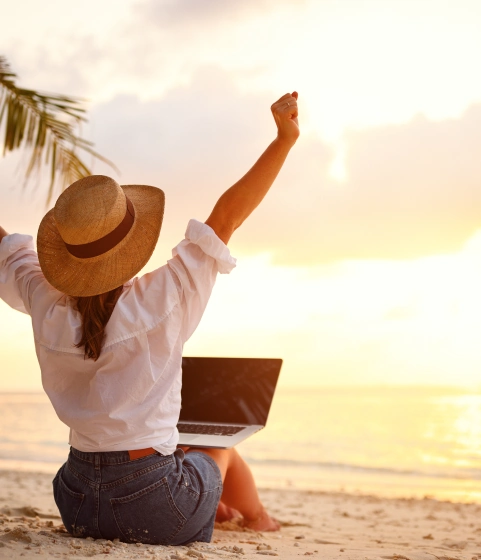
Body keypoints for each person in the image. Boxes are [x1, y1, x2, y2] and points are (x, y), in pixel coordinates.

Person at [0, 92, 299, 545]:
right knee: (218, 450)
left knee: (180, 459)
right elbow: (227, 215)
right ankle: (259, 521)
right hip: (151, 502)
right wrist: (285, 138)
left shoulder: (43, 297)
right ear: (130, 250)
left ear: (67, 257)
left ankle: (204, 505)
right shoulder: (167, 293)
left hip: (77, 500)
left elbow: (7, 248)